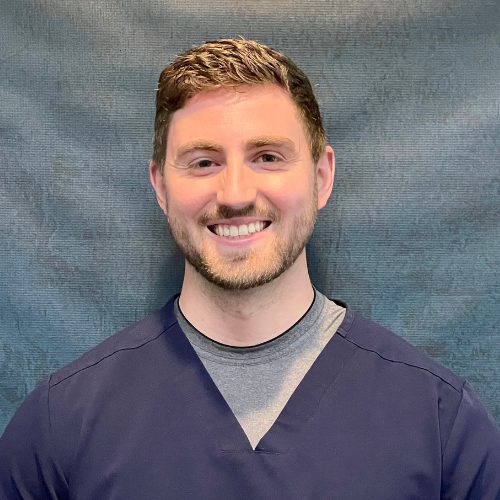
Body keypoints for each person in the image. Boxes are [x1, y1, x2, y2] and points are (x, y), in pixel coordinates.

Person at [1, 38, 499, 499]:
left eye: (267, 157)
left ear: (322, 177)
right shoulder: (61, 425)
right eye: (203, 162)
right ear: (161, 187)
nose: (236, 194)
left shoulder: (441, 425)